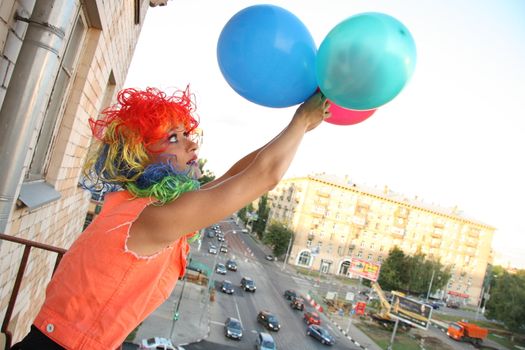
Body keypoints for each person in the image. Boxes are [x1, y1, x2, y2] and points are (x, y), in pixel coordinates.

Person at [12, 86, 330, 349]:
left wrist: (298, 128)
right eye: (173, 138)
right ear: (140, 154)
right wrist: (300, 121)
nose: (192, 142)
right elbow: (264, 176)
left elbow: (237, 175)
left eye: (186, 133)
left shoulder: (142, 202)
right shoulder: (153, 215)